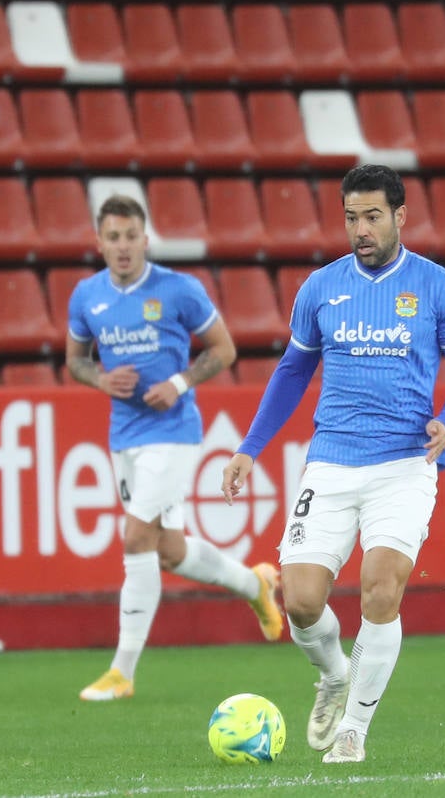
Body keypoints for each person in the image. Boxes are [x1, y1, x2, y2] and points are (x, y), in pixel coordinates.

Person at [221, 163, 445, 764]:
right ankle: (335, 673)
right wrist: (248, 447)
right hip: (332, 464)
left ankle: (355, 731)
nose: (360, 229)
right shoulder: (321, 288)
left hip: (404, 464)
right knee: (303, 601)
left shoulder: (437, 285)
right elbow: (292, 372)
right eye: (350, 218)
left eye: (371, 217)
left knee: (379, 590)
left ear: (400, 217)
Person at [67, 194, 284, 702]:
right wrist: (100, 378)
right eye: (113, 238)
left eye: (131, 236)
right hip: (125, 435)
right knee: (167, 549)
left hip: (174, 431)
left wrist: (181, 382)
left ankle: (122, 672)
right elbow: (76, 360)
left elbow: (224, 349)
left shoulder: (178, 290)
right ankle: (255, 585)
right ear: (99, 243)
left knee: (135, 538)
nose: (122, 247)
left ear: (146, 239)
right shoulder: (87, 297)